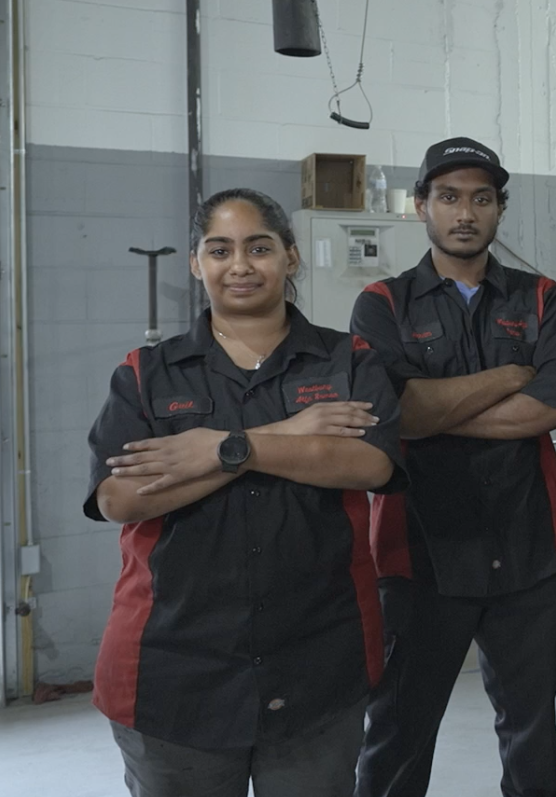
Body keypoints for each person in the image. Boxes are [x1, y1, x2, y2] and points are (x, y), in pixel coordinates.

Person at [85, 188, 401, 797]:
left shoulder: (348, 359)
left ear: (290, 256)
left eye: (259, 248)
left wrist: (219, 449)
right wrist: (289, 435)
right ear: (195, 263)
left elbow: (369, 464)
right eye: (219, 250)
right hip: (175, 670)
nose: (240, 265)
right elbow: (119, 499)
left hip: (318, 661)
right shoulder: (146, 374)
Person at [352, 138, 556, 797]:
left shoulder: (541, 297)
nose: (465, 213)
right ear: (421, 206)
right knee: (398, 732)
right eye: (449, 197)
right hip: (420, 553)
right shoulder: (383, 301)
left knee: (532, 731)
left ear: (498, 209)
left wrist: (431, 410)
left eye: (481, 199)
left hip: (530, 551)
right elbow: (393, 412)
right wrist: (511, 376)